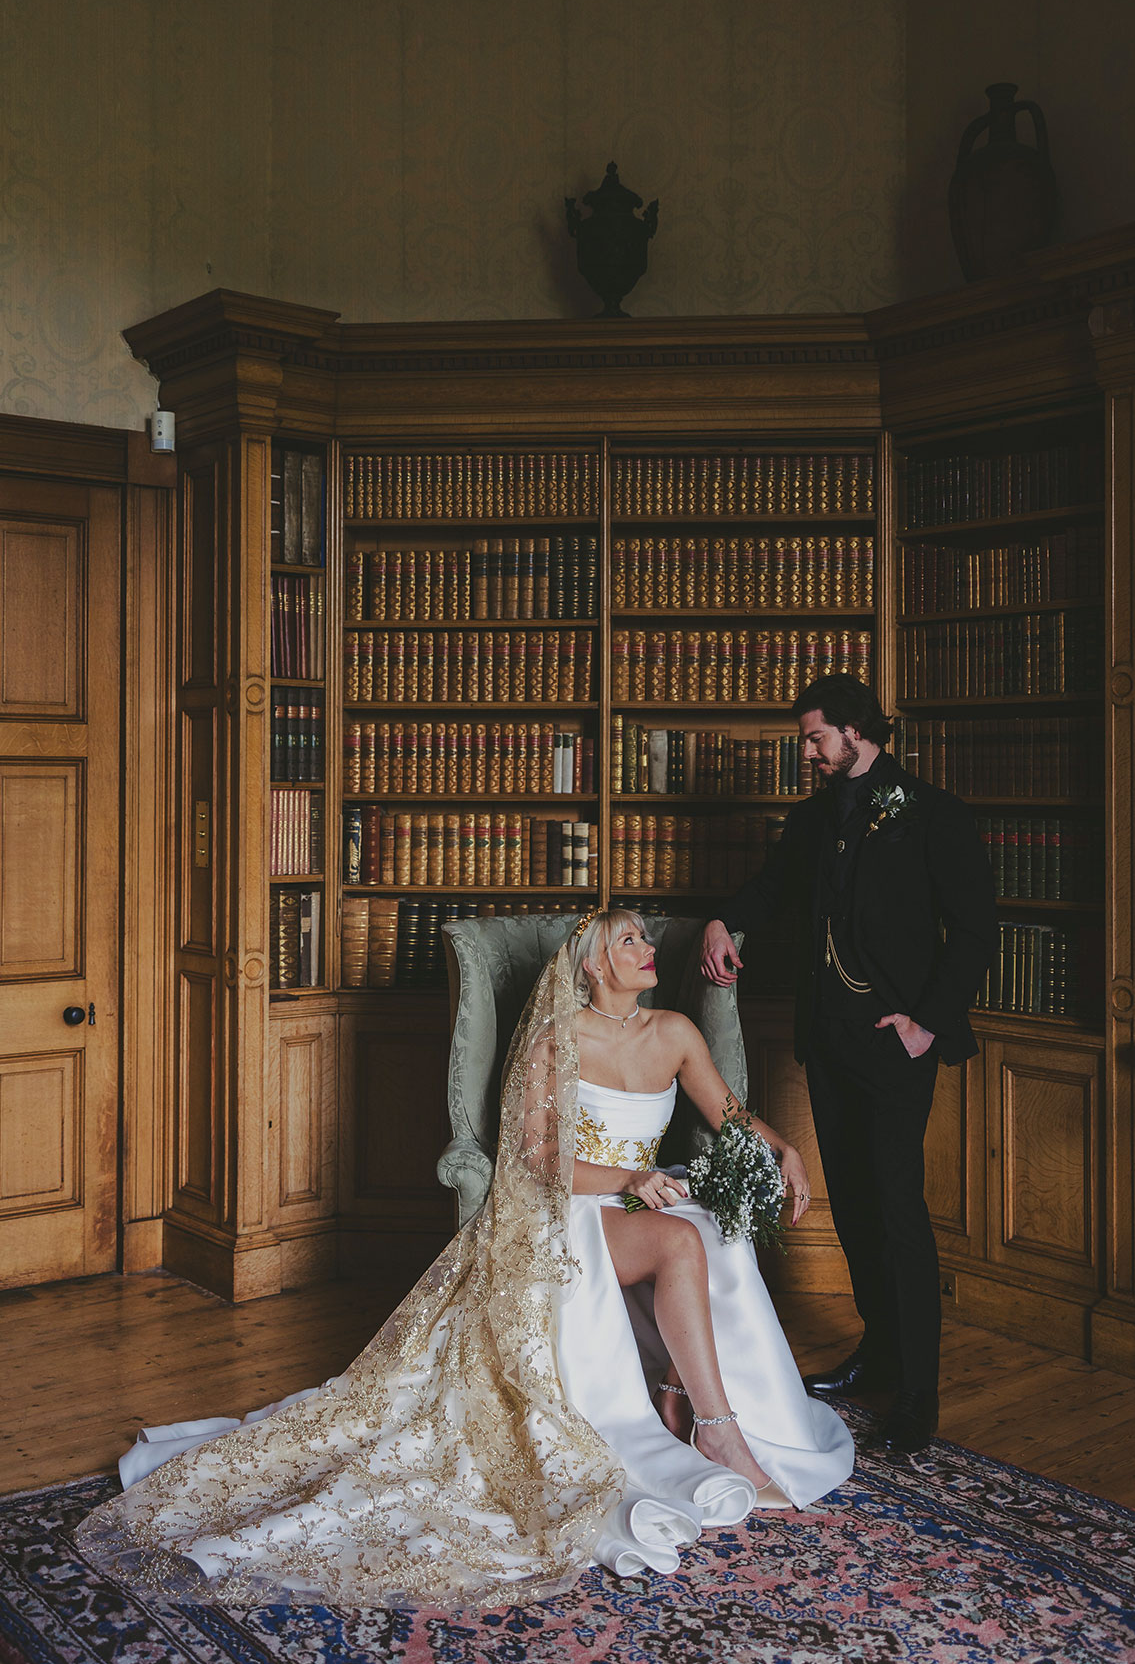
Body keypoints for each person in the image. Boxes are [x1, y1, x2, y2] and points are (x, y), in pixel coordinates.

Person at [76, 908, 852, 1610]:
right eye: (630, 940)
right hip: (574, 1206)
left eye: (648, 938)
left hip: (645, 1194)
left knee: (718, 1231)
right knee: (683, 1236)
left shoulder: (676, 1032)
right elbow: (537, 1160)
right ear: (590, 962)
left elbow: (731, 1114)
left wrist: (784, 1151)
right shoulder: (559, 1037)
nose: (648, 949)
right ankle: (716, 1430)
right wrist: (629, 1180)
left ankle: (684, 1394)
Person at [702, 675, 999, 1454]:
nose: (806, 752)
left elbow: (973, 933)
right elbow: (772, 891)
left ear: (857, 732)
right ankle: (881, 1351)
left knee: (898, 1209)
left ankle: (919, 1391)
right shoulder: (809, 821)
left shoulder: (934, 815)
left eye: (814, 738)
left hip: (896, 1045)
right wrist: (725, 919)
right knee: (859, 1208)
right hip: (828, 1040)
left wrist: (925, 1026)